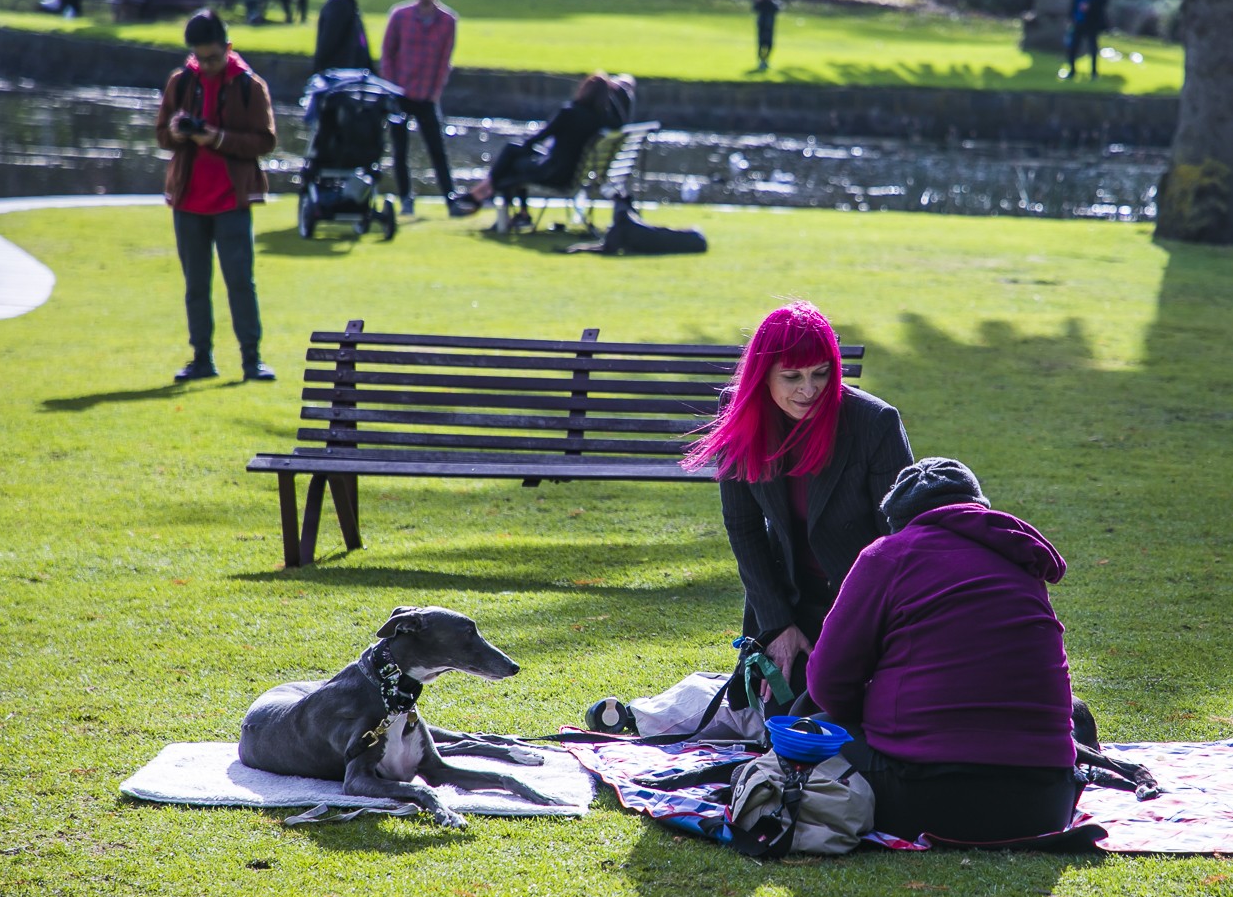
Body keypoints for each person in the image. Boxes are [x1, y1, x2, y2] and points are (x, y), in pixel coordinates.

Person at [805, 457, 1081, 843]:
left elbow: (828, 682)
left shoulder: (888, 556)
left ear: (899, 519)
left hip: (927, 800)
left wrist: (872, 707)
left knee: (811, 724)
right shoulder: (1018, 558)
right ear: (977, 508)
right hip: (1048, 804)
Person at [684, 302, 915, 698]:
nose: (809, 390)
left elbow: (903, 540)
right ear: (763, 376)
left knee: (839, 712)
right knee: (775, 712)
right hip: (787, 596)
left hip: (864, 600)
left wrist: (873, 633)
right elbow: (744, 527)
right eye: (791, 376)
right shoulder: (738, 411)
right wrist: (776, 624)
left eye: (821, 373)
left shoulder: (874, 422)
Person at [152, 10, 277, 383]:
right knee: (196, 285)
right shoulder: (181, 81)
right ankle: (201, 359)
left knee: (240, 281)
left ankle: (251, 360)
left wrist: (217, 138)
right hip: (188, 198)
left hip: (230, 199)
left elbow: (266, 140)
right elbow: (161, 136)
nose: (206, 66)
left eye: (213, 58)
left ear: (228, 47)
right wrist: (177, 132)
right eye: (199, 58)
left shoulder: (249, 86)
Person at [458, 72, 630, 226]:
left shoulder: (569, 113)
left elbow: (538, 138)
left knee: (513, 155)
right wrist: (610, 92)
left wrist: (526, 147)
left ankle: (482, 193)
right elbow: (621, 121)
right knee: (515, 157)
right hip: (572, 175)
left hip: (553, 173)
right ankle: (489, 197)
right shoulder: (603, 120)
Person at [382, 0, 469, 217]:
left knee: (437, 149)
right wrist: (391, 85)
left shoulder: (448, 21)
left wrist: (436, 91)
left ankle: (450, 200)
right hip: (400, 91)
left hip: (427, 93)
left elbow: (445, 60)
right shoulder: (400, 15)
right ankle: (406, 199)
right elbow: (388, 54)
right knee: (399, 150)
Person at [312, 0, 376, 75]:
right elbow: (326, 50)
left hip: (352, 82)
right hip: (340, 84)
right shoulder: (338, 5)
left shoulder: (349, 3)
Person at [1064, 0, 1108, 80]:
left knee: (1092, 47)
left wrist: (1090, 6)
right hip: (1079, 20)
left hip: (1092, 21)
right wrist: (1070, 17)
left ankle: (1094, 72)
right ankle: (1072, 70)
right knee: (1073, 46)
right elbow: (1074, 1)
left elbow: (1103, 1)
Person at [752, 0, 782, 71]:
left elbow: (777, 9)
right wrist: (759, 1)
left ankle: (766, 60)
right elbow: (755, 8)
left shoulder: (774, 2)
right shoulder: (761, 2)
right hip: (762, 26)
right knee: (761, 44)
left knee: (769, 45)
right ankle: (761, 60)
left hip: (770, 27)